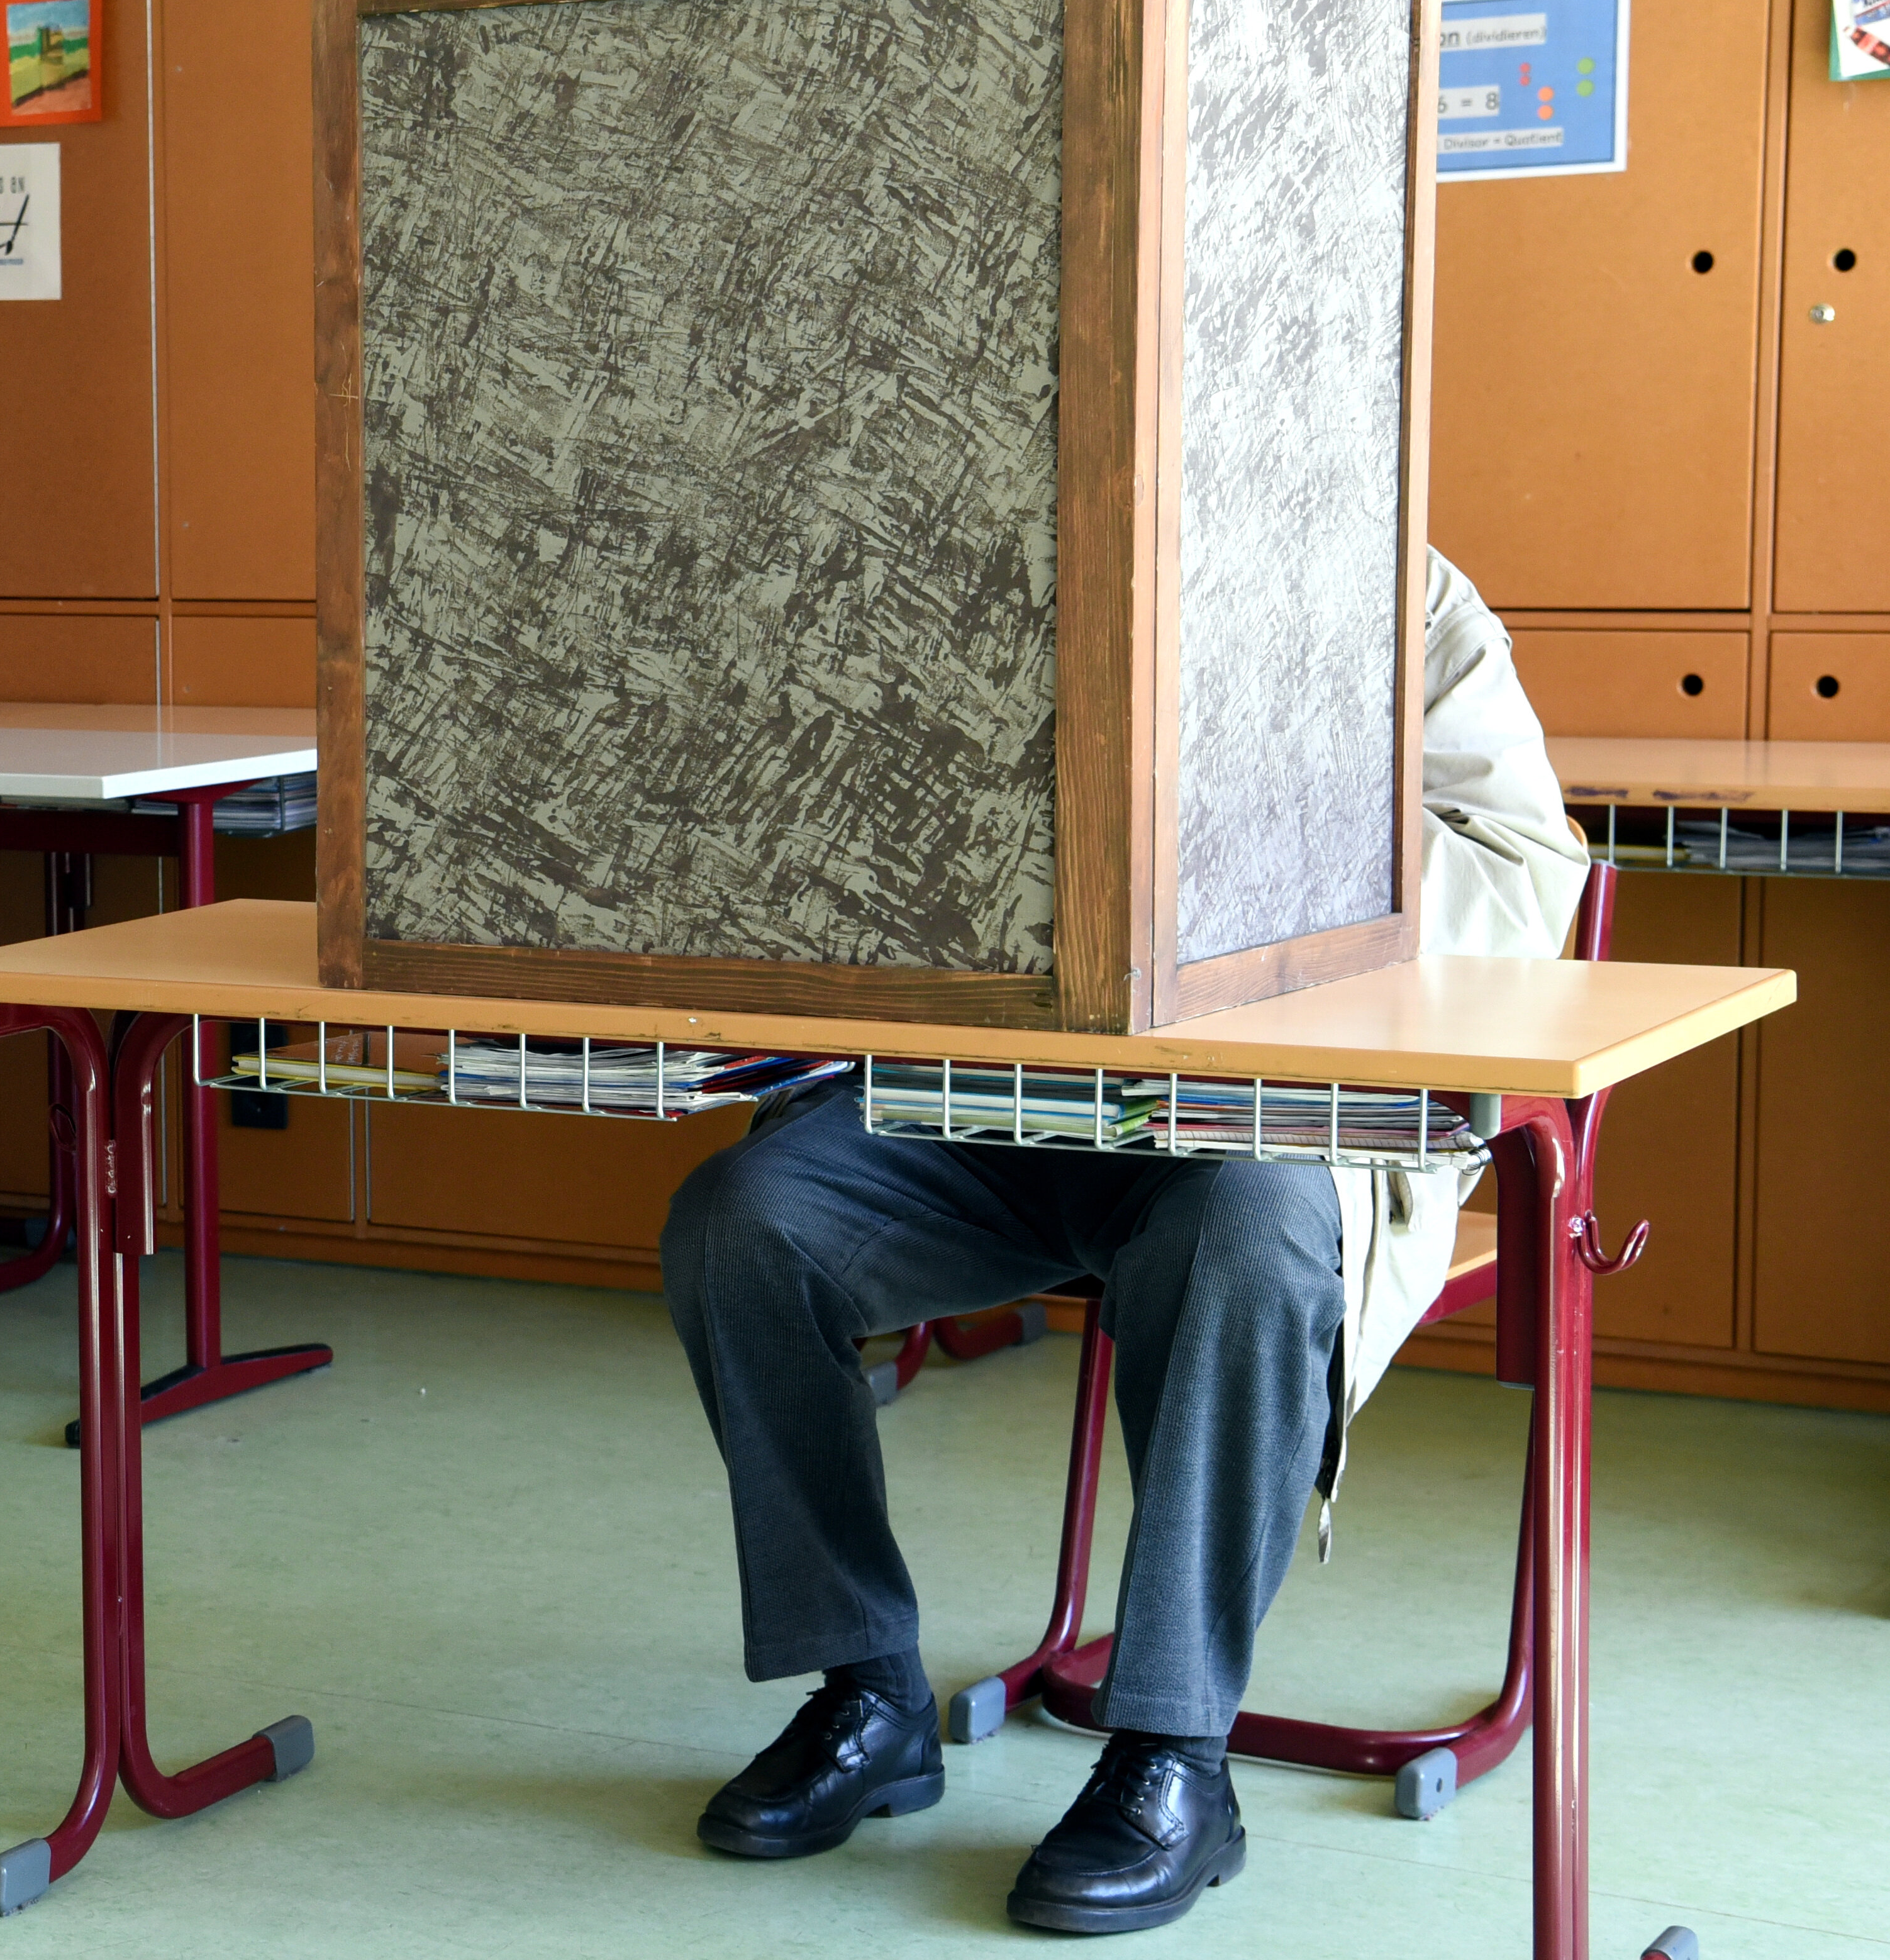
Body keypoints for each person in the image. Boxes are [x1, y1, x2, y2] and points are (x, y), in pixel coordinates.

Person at [660, 548, 1583, 1934]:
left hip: (1263, 1125)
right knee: (747, 1221)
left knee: (1244, 1221)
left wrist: (1250, 820)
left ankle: (1173, 1752)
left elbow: (1524, 885)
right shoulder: (992, 530)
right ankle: (867, 1686)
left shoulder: (1400, 582)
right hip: (1010, 1099)